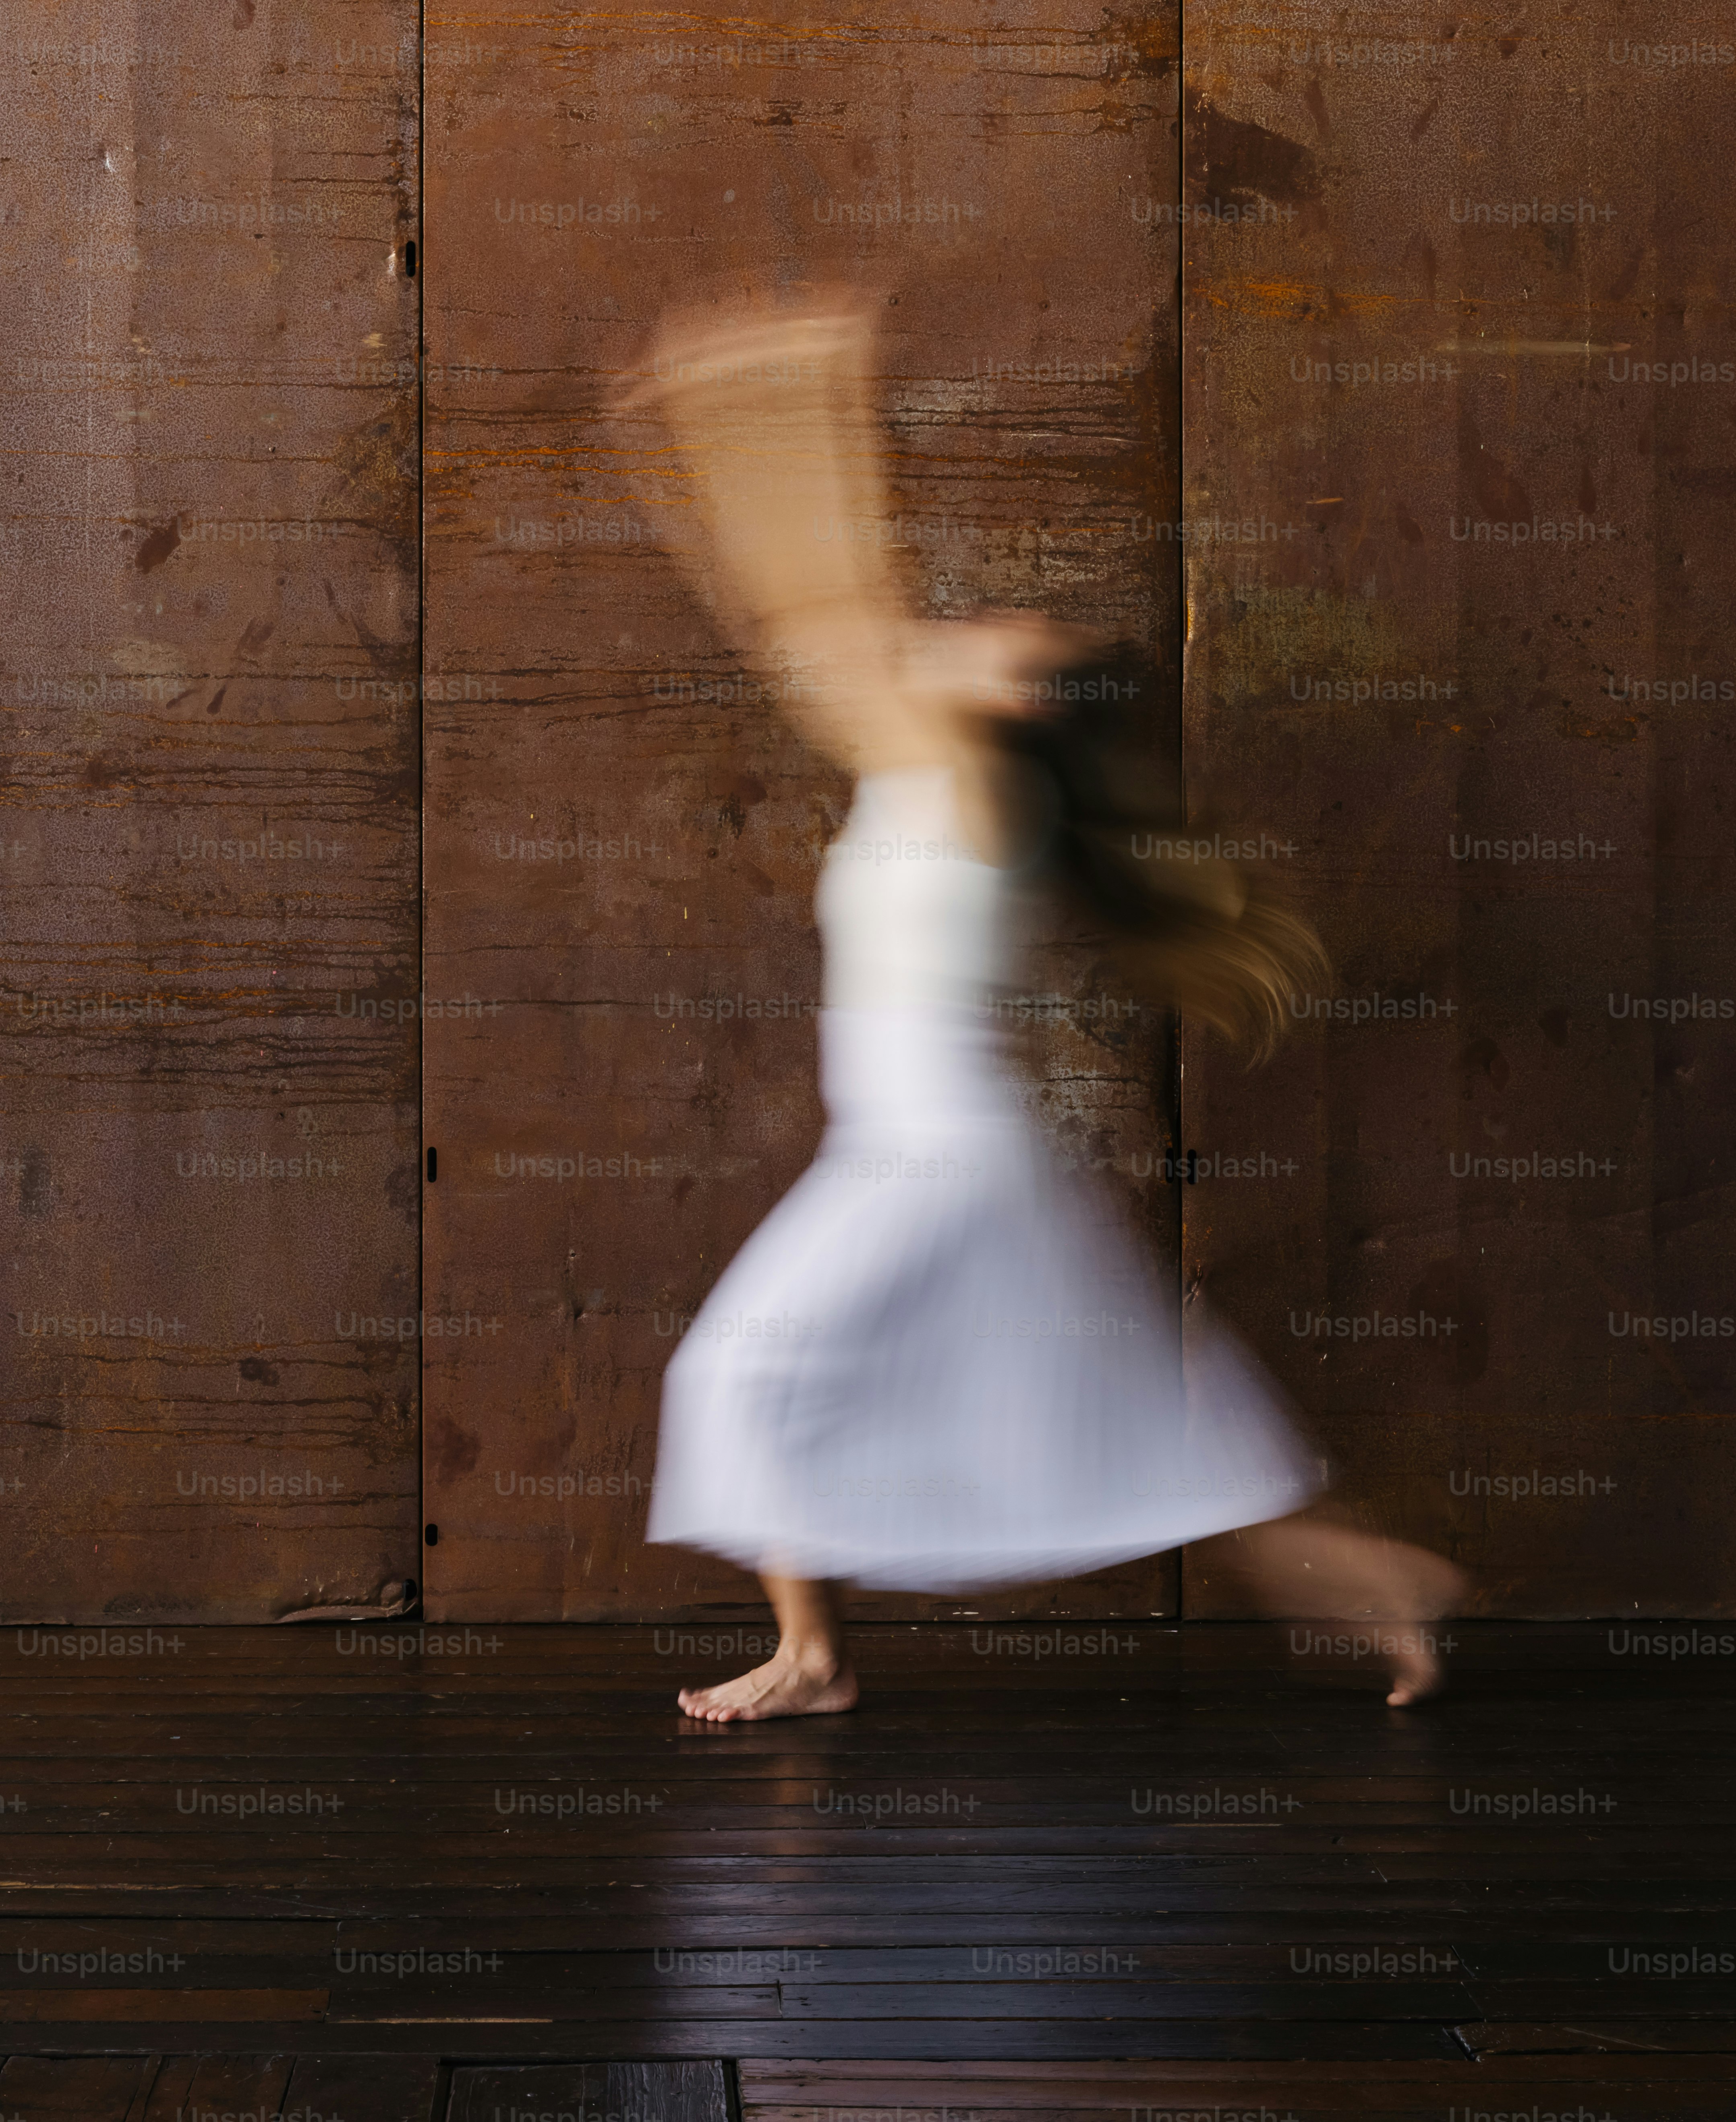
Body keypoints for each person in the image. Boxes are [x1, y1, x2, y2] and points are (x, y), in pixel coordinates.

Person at [624, 288, 1466, 1723]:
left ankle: (813, 1659)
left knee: (739, 1367)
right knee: (1125, 1416)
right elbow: (806, 622)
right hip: (924, 1149)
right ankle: (1369, 1581)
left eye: (1006, 641)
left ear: (1018, 713)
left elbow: (823, 600)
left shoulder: (968, 779)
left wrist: (792, 401)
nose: (969, 628)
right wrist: (722, 434)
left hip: (935, 1155)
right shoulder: (922, 771)